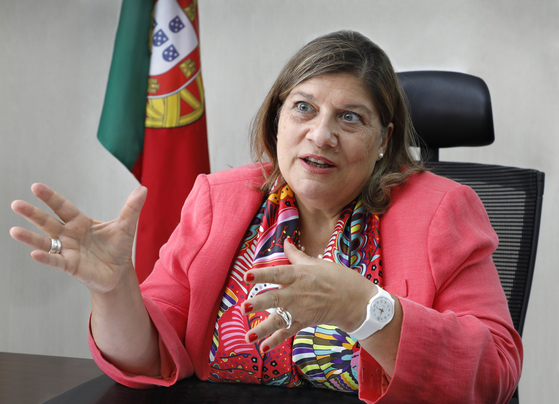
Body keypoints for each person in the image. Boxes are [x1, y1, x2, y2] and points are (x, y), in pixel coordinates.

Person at [10, 30, 522, 403]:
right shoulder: (219, 199)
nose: (321, 135)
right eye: (304, 108)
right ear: (277, 117)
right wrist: (113, 288)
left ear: (384, 140)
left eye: (350, 117)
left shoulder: (441, 211)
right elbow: (149, 356)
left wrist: (364, 309)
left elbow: (496, 372)